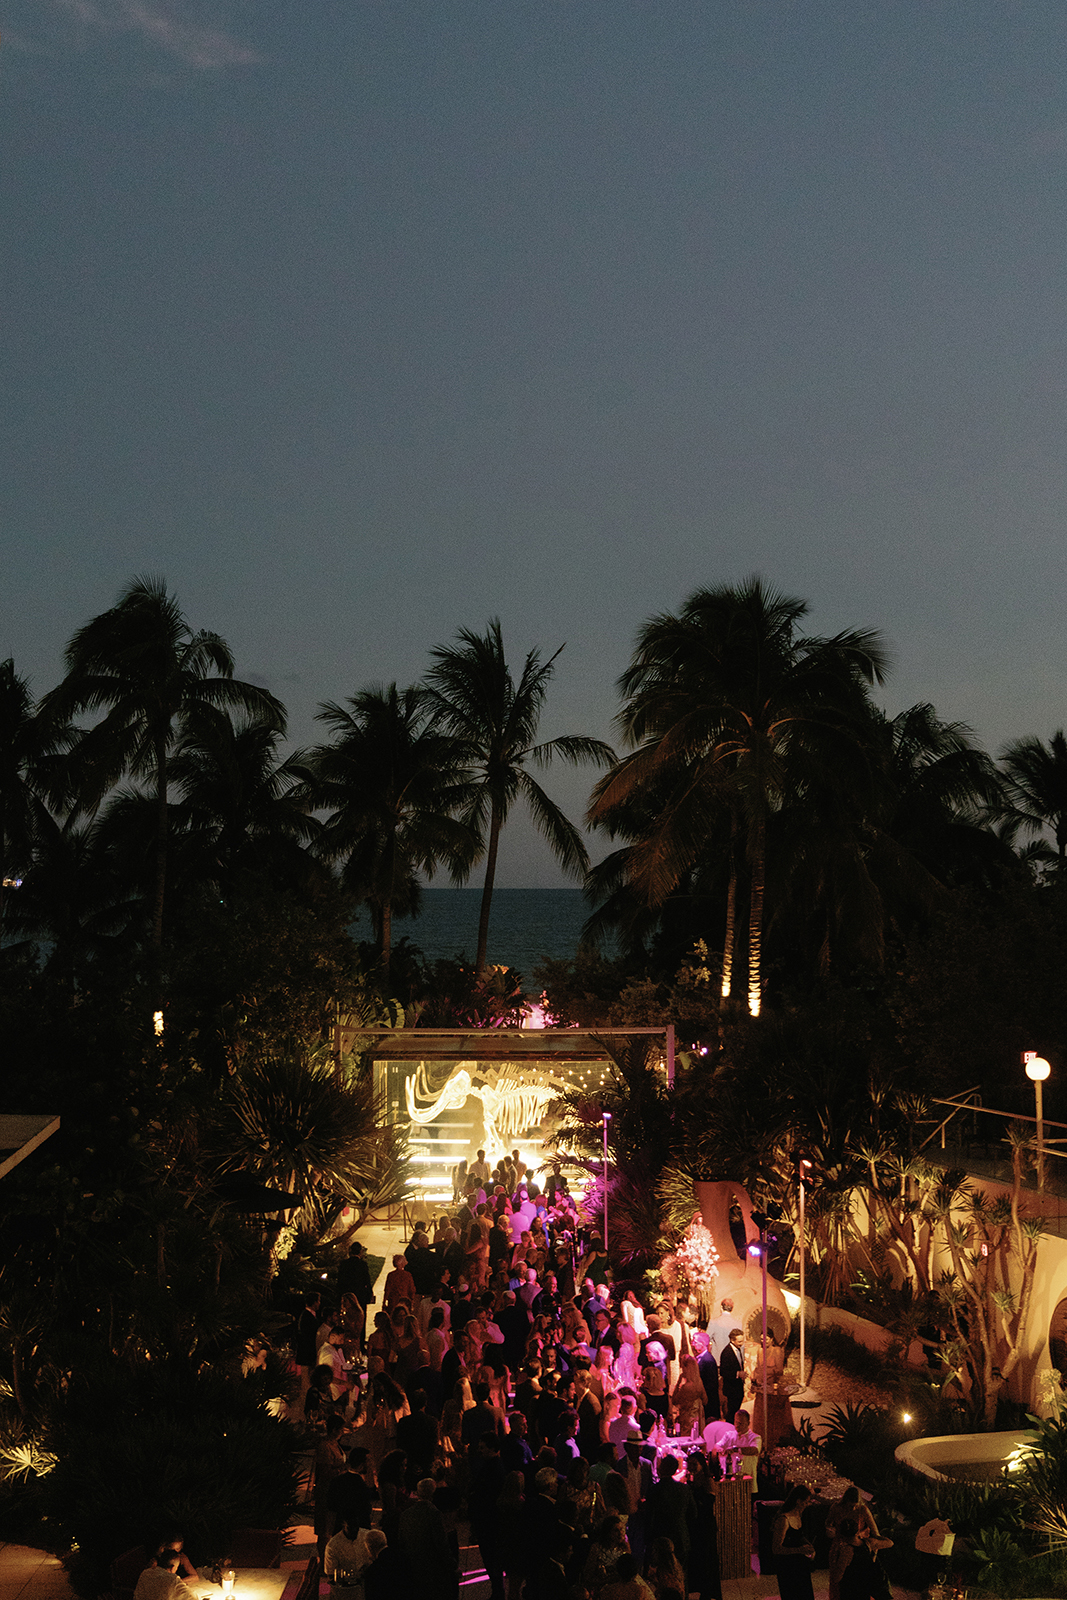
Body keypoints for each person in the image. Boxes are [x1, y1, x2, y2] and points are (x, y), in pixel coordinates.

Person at [398, 1477, 458, 1599]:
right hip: (434, 1570)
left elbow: (401, 1541)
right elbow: (441, 1544)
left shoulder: (406, 1515)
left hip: (415, 1567)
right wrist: (453, 1566)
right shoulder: (434, 1514)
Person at [828, 1518, 893, 1600]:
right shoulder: (868, 1543)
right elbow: (890, 1543)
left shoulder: (847, 1550)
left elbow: (837, 1576)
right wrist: (876, 1536)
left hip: (851, 1588)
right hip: (864, 1586)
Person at [772, 1485, 816, 1600]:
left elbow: (799, 1536)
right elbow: (776, 1548)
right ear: (798, 1501)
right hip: (788, 1566)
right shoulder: (784, 1520)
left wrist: (809, 1547)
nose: (807, 1505)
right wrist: (799, 1550)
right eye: (806, 1502)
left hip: (800, 1565)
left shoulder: (798, 1514)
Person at [719, 1328, 746, 1419]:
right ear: (732, 1340)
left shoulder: (738, 1349)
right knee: (731, 1414)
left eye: (742, 1341)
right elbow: (723, 1371)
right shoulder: (726, 1353)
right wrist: (738, 1374)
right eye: (739, 1341)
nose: (741, 1343)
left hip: (738, 1388)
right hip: (731, 1390)